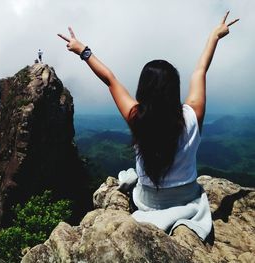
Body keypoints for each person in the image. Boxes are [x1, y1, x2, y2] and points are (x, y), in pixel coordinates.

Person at [58, 11, 239, 240]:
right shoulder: (193, 115)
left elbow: (110, 79)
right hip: (186, 198)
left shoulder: (137, 118)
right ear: (174, 89)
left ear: (143, 89)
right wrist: (215, 36)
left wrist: (83, 51)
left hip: (147, 202)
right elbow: (200, 70)